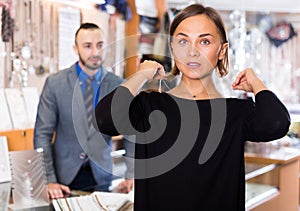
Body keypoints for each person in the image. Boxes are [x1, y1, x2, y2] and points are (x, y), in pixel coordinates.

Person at [94, 4, 290, 211]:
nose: (192, 52)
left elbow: (277, 123)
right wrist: (141, 75)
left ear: (222, 51)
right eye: (183, 41)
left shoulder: (236, 112)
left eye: (204, 41)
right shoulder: (149, 106)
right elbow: (104, 119)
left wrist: (256, 82)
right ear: (173, 49)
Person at [34, 22, 134, 199]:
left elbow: (131, 135)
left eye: (100, 45)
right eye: (87, 46)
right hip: (63, 181)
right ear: (75, 48)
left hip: (103, 178)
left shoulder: (118, 85)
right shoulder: (55, 84)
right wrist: (48, 179)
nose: (95, 52)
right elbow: (42, 135)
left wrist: (132, 174)